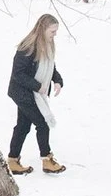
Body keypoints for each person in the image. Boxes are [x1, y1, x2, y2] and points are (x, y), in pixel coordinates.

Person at [6, 14, 67, 175]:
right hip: (23, 93)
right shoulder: (27, 47)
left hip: (33, 93)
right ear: (43, 29)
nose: (55, 34)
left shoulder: (47, 45)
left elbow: (50, 66)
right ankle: (47, 160)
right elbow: (18, 74)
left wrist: (57, 81)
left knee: (23, 126)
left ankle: (13, 161)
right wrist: (38, 86)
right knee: (42, 123)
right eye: (52, 31)